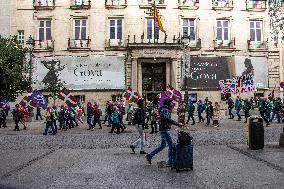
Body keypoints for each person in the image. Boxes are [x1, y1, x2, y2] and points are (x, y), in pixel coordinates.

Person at [145, 98, 182, 166]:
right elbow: (167, 119)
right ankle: (170, 162)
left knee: (162, 146)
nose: (172, 103)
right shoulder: (165, 110)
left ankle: (149, 155)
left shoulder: (165, 109)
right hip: (164, 130)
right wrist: (177, 124)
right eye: (171, 102)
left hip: (164, 129)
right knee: (171, 146)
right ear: (168, 103)